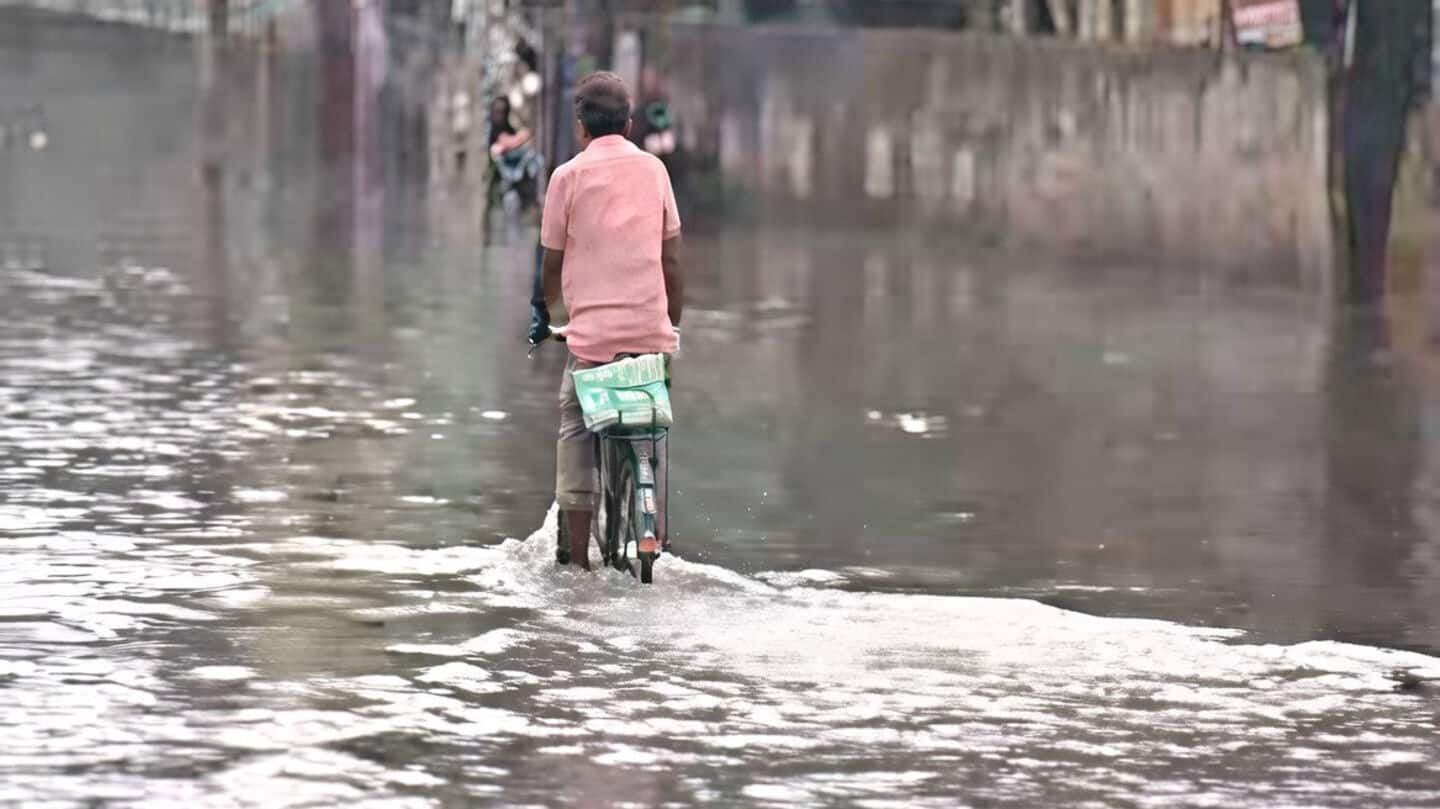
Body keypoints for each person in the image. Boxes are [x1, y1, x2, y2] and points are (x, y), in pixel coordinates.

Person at [533, 71, 683, 570]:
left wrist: (556, 321)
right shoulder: (655, 172)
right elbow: (673, 261)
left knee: (575, 423)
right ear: (630, 123)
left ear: (580, 127)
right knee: (650, 428)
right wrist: (669, 326)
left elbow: (551, 267)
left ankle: (578, 559)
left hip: (592, 345)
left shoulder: (566, 178)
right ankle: (652, 526)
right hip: (649, 340)